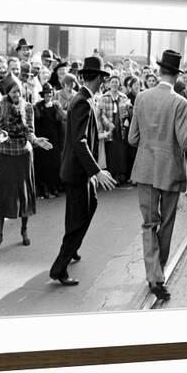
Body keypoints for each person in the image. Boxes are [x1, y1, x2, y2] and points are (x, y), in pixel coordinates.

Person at [128, 49, 187, 301]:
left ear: (159, 71)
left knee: (148, 224)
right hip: (170, 172)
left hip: (145, 170)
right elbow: (186, 141)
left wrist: (150, 146)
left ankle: (153, 276)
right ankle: (159, 276)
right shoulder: (180, 102)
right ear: (177, 75)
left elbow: (132, 138)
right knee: (165, 225)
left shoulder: (142, 97)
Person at [49, 56, 116, 286]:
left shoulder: (85, 99)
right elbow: (80, 142)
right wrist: (97, 171)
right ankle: (59, 268)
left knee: (89, 207)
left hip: (79, 171)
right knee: (77, 219)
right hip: (78, 171)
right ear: (97, 78)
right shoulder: (83, 102)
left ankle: (72, 248)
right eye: (103, 78)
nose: (104, 82)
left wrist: (93, 172)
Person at [0, 74, 53, 254]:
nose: (17, 95)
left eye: (19, 91)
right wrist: (2, 136)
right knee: (5, 193)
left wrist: (35, 140)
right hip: (7, 154)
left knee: (24, 193)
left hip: (24, 154)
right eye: (13, 92)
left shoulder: (28, 107)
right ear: (7, 92)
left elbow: (30, 131)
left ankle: (24, 230)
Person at [99, 75, 131, 185]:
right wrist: (108, 124)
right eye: (112, 82)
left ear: (119, 84)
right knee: (111, 152)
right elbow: (101, 115)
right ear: (109, 84)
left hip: (121, 127)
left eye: (116, 82)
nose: (114, 84)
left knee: (121, 152)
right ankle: (111, 175)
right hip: (110, 128)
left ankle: (121, 175)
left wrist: (126, 118)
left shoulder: (124, 97)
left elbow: (127, 112)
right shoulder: (104, 97)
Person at [34, 83, 64, 198]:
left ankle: (54, 187)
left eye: (50, 94)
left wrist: (61, 141)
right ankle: (45, 189)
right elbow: (36, 124)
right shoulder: (38, 106)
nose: (48, 96)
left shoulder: (56, 106)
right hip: (43, 140)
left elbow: (60, 124)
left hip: (55, 140)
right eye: (46, 94)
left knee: (55, 165)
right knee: (43, 165)